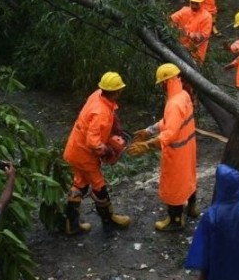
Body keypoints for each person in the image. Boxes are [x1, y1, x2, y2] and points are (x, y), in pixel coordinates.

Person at [128, 64, 198, 231]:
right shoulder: (183, 95)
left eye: (161, 83)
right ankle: (192, 208)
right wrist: (149, 130)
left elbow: (170, 133)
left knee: (174, 185)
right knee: (188, 178)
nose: (160, 86)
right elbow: (170, 122)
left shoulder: (174, 103)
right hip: (188, 147)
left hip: (176, 151)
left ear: (166, 82)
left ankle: (175, 220)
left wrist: (147, 145)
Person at [62, 72, 132, 235]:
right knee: (99, 185)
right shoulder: (100, 113)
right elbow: (93, 142)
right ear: (116, 92)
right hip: (83, 154)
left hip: (74, 148)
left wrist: (116, 125)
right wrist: (108, 150)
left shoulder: (98, 95)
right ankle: (109, 220)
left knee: (80, 183)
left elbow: (110, 110)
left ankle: (71, 225)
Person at [170, 0, 213, 64]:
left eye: (196, 3)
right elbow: (171, 19)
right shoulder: (184, 10)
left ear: (202, 2)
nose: (194, 5)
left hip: (195, 55)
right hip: (180, 49)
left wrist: (185, 33)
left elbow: (201, 37)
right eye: (192, 3)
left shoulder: (207, 17)